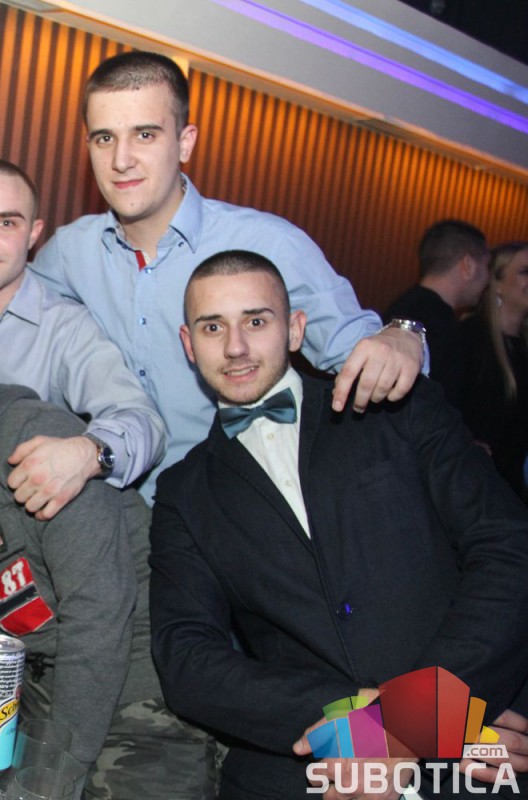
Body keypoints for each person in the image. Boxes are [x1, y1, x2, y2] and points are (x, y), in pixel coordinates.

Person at [149, 250, 528, 798]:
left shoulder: (396, 407)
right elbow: (187, 660)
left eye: (256, 321)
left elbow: (509, 552)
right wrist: (370, 726)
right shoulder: (184, 492)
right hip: (310, 757)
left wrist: (419, 719)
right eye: (213, 327)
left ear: (295, 329)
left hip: (470, 744)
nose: (235, 347)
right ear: (189, 344)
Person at [29, 50, 424, 504]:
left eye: (145, 134)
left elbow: (367, 354)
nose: (121, 160)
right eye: (104, 138)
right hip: (113, 515)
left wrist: (406, 335)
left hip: (235, 516)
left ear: (185, 143)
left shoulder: (269, 244)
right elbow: (4, 315)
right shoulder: (69, 253)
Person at [0, 268, 184, 798]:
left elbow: (98, 614)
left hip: (140, 702)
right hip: (23, 713)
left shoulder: (40, 442)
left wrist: (57, 775)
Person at [0, 158, 163, 517]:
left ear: (34, 233)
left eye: (7, 223)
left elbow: (144, 422)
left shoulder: (65, 328)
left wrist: (87, 454)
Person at [386, 219, 489, 405]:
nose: (488, 280)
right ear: (468, 265)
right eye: (486, 267)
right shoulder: (437, 321)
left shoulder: (406, 306)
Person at [458, 241, 528, 501]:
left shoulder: (522, 347)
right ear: (496, 282)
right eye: (525, 272)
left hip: (512, 491)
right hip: (475, 490)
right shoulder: (471, 336)